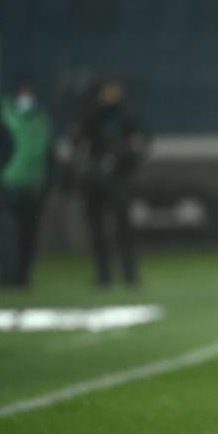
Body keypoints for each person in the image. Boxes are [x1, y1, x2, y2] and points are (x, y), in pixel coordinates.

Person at [68, 78, 148, 287]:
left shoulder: (127, 114)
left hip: (119, 177)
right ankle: (103, 276)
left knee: (123, 228)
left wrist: (124, 158)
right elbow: (76, 139)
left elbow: (141, 141)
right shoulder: (91, 113)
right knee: (97, 229)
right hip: (95, 178)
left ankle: (129, 274)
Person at [0, 76, 53, 289]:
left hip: (34, 184)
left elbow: (48, 153)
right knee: (7, 234)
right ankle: (7, 277)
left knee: (29, 234)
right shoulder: (3, 114)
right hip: (8, 183)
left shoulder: (41, 119)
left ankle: (23, 277)